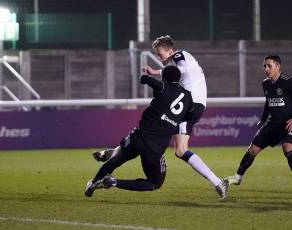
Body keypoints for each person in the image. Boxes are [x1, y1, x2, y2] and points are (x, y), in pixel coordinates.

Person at [93, 35, 224, 192]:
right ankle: (115, 151)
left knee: (179, 149)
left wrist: (156, 72)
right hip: (189, 104)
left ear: (170, 51)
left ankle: (217, 182)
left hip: (190, 105)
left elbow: (182, 69)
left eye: (160, 54)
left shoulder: (179, 55)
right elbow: (179, 71)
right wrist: (158, 71)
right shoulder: (183, 59)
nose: (158, 57)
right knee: (173, 145)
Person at [225, 55, 292, 192]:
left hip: (287, 124)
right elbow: (268, 103)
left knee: (287, 147)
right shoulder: (266, 83)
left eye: (269, 66)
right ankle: (237, 177)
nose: (266, 69)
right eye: (264, 66)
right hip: (271, 124)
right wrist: (263, 120)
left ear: (278, 67)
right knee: (252, 150)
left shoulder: (288, 82)